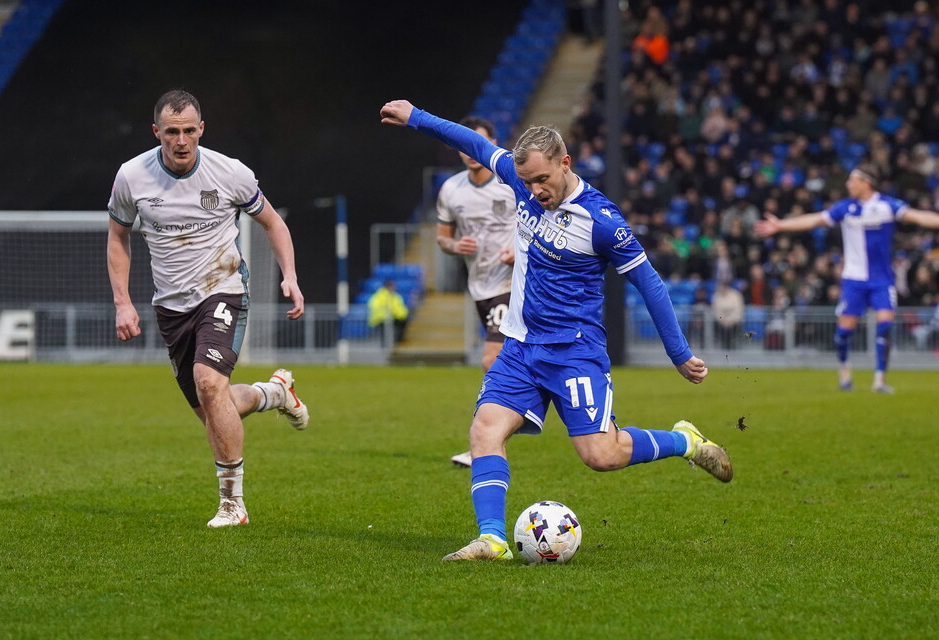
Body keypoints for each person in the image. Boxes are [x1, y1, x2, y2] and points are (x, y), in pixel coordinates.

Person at [380, 99, 732, 562]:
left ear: (565, 163)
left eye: (542, 179)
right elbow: (473, 142)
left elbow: (649, 282)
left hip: (574, 352)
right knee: (485, 430)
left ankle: (685, 440)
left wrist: (679, 353)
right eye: (526, 182)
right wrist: (417, 118)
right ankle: (492, 540)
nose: (535, 190)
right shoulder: (521, 182)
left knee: (600, 456)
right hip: (522, 345)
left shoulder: (602, 221)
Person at [107, 90, 309, 528]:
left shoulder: (229, 172)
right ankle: (273, 393)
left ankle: (233, 504)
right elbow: (118, 236)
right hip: (171, 306)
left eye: (189, 131)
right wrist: (122, 302)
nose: (181, 141)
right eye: (172, 132)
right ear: (156, 131)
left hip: (224, 288)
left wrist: (289, 275)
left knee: (209, 383)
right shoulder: (132, 176)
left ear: (202, 129)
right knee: (213, 407)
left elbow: (273, 222)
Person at [755, 163, 939, 393]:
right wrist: (780, 225)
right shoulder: (845, 208)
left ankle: (879, 381)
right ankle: (844, 375)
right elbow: (814, 220)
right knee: (843, 332)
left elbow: (919, 216)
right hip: (853, 280)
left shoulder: (887, 206)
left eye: (853, 180)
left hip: (882, 280)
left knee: (884, 327)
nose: (848, 184)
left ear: (866, 182)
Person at [435, 116, 517, 468]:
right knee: (516, 364)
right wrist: (455, 246)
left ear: (492, 144)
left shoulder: (511, 182)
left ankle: (486, 442)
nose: (472, 152)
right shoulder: (451, 190)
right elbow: (442, 238)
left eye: (478, 143)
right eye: (465, 144)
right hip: (481, 286)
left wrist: (522, 249)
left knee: (490, 359)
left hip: (513, 284)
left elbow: (542, 217)